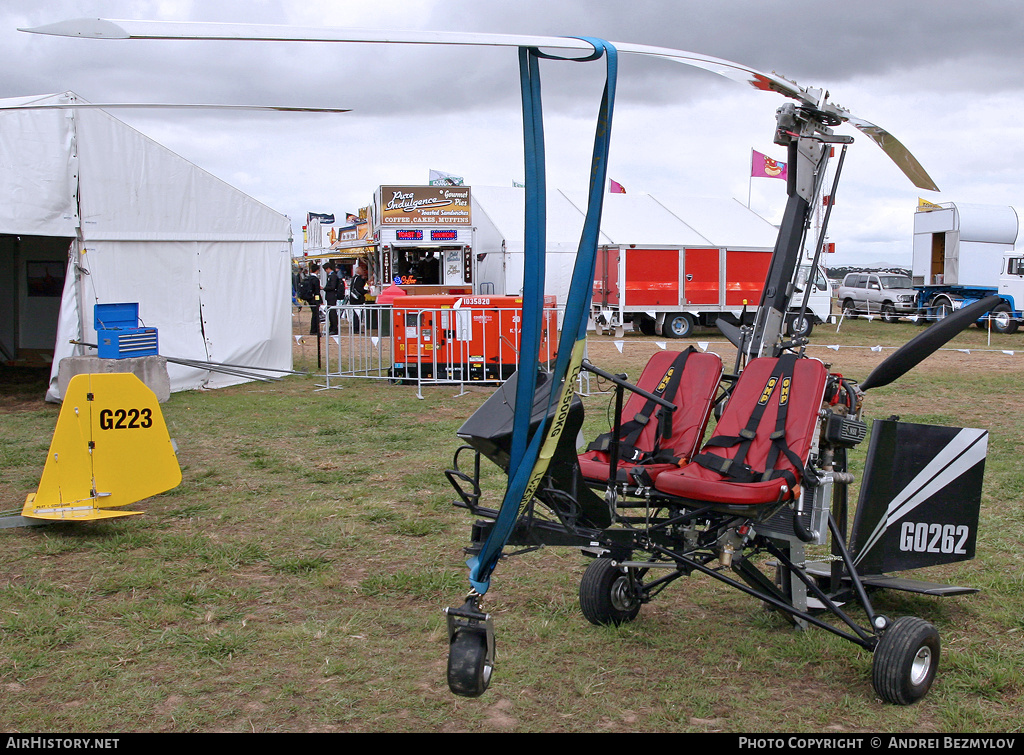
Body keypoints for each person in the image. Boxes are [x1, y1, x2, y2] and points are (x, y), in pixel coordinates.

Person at [323, 261, 346, 335]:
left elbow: (332, 286)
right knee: (331, 312)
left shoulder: (333, 276)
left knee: (332, 313)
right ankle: (332, 327)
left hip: (332, 296)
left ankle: (334, 328)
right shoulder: (332, 276)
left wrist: (325, 288)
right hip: (331, 296)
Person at [349, 263, 368, 334]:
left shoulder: (354, 278)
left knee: (356, 314)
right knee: (358, 314)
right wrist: (366, 291)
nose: (363, 271)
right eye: (362, 270)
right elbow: (359, 289)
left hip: (353, 299)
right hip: (357, 299)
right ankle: (356, 328)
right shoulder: (359, 279)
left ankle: (356, 328)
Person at [306, 262, 322, 336]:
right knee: (316, 314)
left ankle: (314, 329)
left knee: (314, 314)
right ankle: (314, 330)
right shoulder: (315, 279)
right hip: (314, 298)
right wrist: (319, 300)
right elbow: (317, 292)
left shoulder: (308, 278)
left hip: (309, 298)